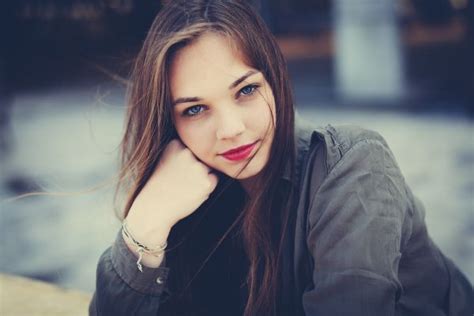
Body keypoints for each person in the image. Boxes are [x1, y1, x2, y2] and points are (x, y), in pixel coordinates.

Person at [89, 1, 473, 315]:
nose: (231, 128)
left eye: (246, 90)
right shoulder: (189, 194)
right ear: (170, 123)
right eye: (194, 110)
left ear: (275, 79)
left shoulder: (352, 166)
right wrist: (146, 224)